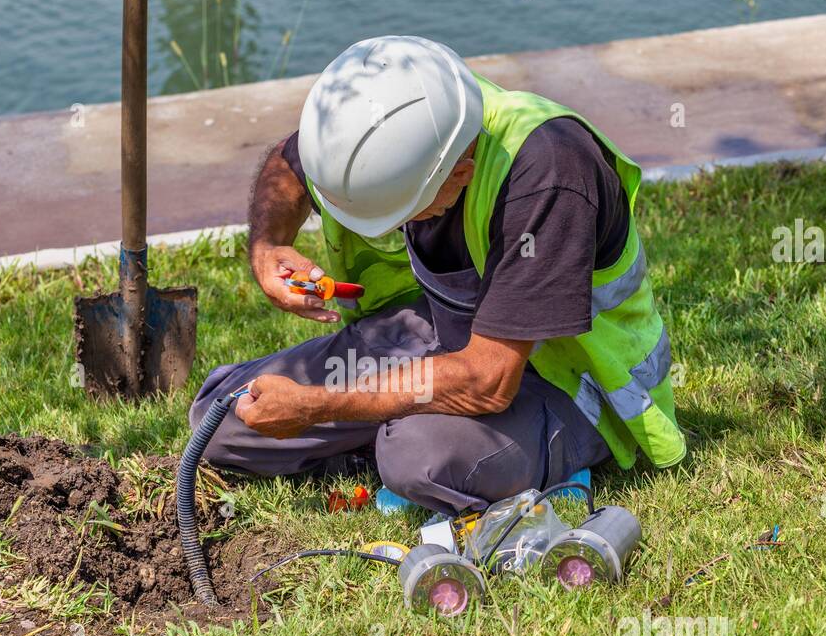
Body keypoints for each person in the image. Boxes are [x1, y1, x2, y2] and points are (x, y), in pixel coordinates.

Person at [189, 35, 685, 516]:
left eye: (404, 213)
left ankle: (550, 461)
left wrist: (320, 407)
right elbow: (292, 160)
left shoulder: (549, 172)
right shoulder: (400, 120)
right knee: (222, 420)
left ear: (460, 175)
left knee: (416, 454)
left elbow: (490, 380)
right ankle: (390, 429)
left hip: (572, 381)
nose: (399, 228)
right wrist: (267, 246)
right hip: (447, 337)